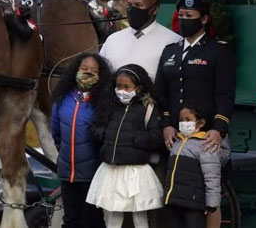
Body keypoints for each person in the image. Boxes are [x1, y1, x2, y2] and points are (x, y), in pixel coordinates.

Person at [155, 0, 236, 228]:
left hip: (205, 133)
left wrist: (219, 128)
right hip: (177, 136)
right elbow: (162, 92)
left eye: (190, 17)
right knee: (178, 194)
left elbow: (225, 93)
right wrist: (167, 123)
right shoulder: (170, 51)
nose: (184, 21)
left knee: (208, 194)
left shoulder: (217, 51)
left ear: (204, 19)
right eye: (181, 16)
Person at [86, 65, 164, 228]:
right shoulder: (110, 105)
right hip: (111, 169)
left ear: (138, 87)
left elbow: (156, 137)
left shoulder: (148, 108)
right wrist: (105, 135)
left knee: (140, 215)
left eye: (127, 87)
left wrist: (131, 138)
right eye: (118, 86)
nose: (121, 90)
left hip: (136, 171)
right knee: (112, 215)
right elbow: (95, 126)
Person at [50, 53, 111, 228]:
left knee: (92, 222)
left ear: (100, 75)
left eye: (93, 71)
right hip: (67, 173)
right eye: (84, 69)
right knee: (70, 221)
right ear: (75, 70)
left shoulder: (104, 102)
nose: (88, 73)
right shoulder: (62, 98)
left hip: (93, 175)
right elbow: (56, 133)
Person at [99, 0, 182, 80]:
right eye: (129, 5)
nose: (132, 9)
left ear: (155, 9)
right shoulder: (113, 40)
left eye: (138, 5)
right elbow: (100, 72)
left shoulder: (172, 40)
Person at [164, 102, 221, 228]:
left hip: (194, 203)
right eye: (181, 120)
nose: (184, 123)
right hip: (174, 201)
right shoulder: (176, 143)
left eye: (188, 120)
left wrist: (212, 204)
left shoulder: (205, 145)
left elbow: (212, 177)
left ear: (200, 123)